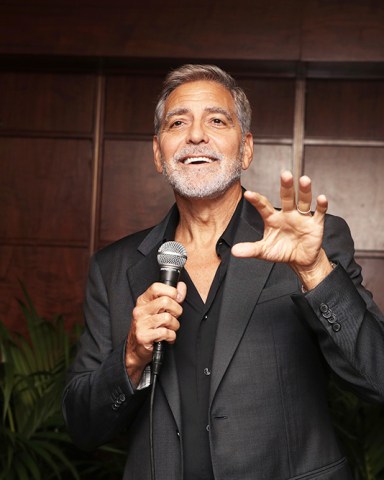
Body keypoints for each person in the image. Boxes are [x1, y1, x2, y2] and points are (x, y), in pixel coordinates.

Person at [62, 64, 384, 480]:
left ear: (246, 149)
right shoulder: (115, 268)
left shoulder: (311, 242)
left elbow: (377, 380)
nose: (196, 134)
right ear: (159, 153)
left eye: (216, 120)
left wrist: (314, 269)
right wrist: (131, 358)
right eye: (178, 123)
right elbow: (81, 425)